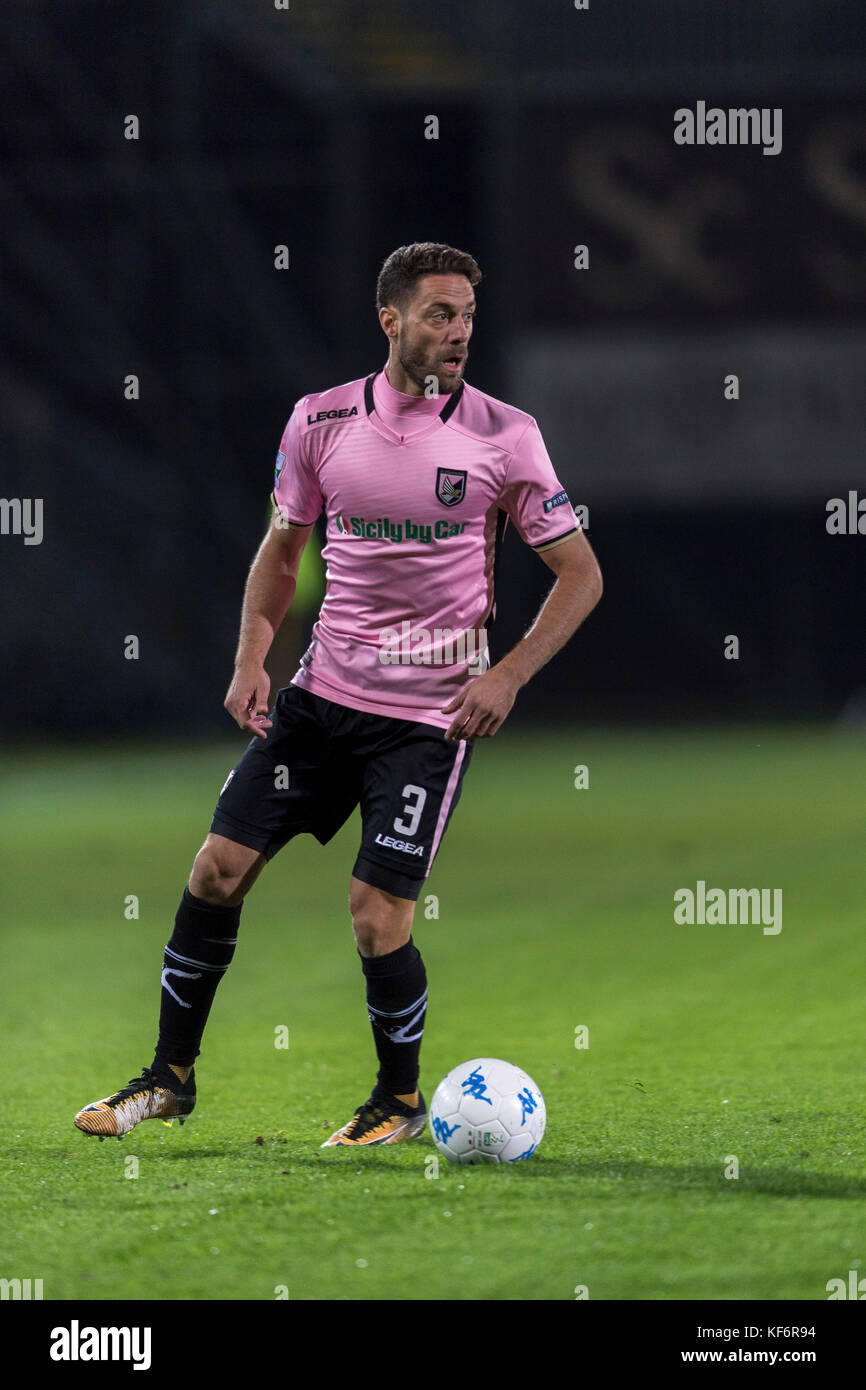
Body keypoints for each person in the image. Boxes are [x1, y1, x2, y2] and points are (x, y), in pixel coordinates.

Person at [74, 242, 602, 1147]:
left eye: (468, 316)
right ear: (390, 320)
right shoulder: (319, 423)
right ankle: (168, 1079)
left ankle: (398, 1099)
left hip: (428, 723)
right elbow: (282, 553)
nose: (459, 332)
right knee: (216, 870)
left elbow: (581, 573)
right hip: (320, 701)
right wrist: (252, 661)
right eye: (440, 314)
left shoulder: (503, 435)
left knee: (374, 917)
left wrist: (506, 673)